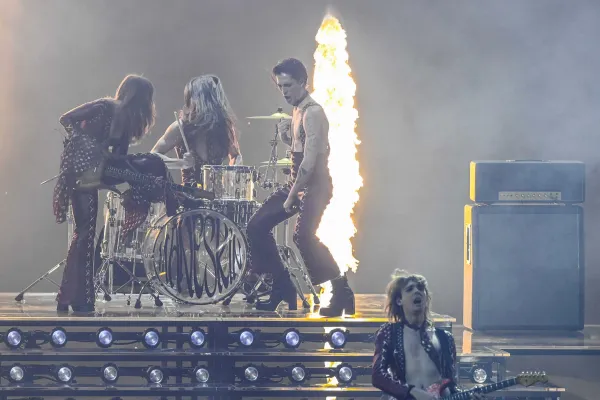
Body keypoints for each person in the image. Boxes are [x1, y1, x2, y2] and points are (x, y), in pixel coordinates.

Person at [245, 58, 354, 317]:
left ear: (303, 83)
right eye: (280, 86)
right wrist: (287, 137)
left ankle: (342, 291)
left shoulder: (313, 112)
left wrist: (292, 195)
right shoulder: (297, 110)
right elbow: (299, 150)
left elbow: (310, 161)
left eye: (289, 85)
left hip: (315, 186)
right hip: (297, 183)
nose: (284, 91)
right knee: (257, 226)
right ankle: (281, 284)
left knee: (303, 237)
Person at [53, 74, 158, 313]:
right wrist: (87, 146)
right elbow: (66, 119)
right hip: (80, 173)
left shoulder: (126, 123)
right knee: (84, 234)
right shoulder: (103, 106)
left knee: (85, 234)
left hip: (93, 176)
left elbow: (119, 158)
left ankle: (74, 298)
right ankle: (74, 298)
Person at [372, 270, 484, 400]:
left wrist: (468, 396)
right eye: (409, 289)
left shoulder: (445, 338)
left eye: (420, 288)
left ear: (426, 298)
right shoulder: (389, 333)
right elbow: (378, 376)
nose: (417, 291)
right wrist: (411, 391)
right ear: (399, 300)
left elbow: (451, 384)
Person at [151, 74, 242, 185]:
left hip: (216, 194)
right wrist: (180, 163)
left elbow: (236, 156)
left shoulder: (224, 127)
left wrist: (231, 178)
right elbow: (153, 155)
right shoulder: (181, 127)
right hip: (188, 194)